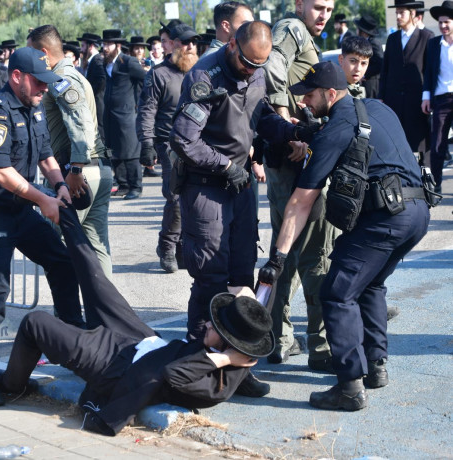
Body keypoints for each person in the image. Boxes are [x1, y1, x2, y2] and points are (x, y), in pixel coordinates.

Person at [0, 204, 273, 436]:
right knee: (95, 278)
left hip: (115, 365)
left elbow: (172, 373)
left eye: (217, 328)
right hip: (143, 340)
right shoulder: (230, 351)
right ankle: (63, 210)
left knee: (35, 322)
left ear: (229, 346)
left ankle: (12, 386)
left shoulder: (217, 386)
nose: (208, 325)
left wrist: (225, 360)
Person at [259, 61, 430, 411]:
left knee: (336, 293)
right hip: (418, 213)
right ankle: (376, 366)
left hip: (385, 218)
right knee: (370, 284)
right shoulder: (378, 107)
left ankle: (350, 386)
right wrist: (315, 130)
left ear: (330, 93)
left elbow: (301, 202)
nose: (303, 101)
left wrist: (277, 257)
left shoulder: (334, 132)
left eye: (309, 95)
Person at [169, 21, 319, 396]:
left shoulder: (258, 73)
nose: (254, 71)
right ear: (232, 44)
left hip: (240, 189)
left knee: (241, 278)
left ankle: (236, 368)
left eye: (261, 65)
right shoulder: (205, 75)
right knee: (209, 278)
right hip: (208, 188)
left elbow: (260, 115)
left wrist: (292, 131)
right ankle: (197, 369)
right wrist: (226, 166)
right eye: (249, 62)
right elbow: (184, 140)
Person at [0, 47, 86, 407]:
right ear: (17, 76)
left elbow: (47, 157)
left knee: (62, 262)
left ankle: (73, 339)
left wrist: (60, 185)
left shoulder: (33, 110)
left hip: (20, 209)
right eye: (38, 82)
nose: (44, 90)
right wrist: (43, 199)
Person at [263, 0, 337, 370]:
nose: (324, 14)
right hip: (296, 161)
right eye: (318, 6)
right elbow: (271, 68)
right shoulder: (292, 28)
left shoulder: (303, 34)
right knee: (315, 257)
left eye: (330, 7)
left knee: (286, 252)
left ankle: (278, 339)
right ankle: (322, 348)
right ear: (299, 4)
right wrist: (286, 127)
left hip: (291, 160)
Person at [27, 25, 114, 278]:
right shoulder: (71, 75)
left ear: (44, 52)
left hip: (76, 174)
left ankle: (68, 314)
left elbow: (81, 123)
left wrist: (75, 169)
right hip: (92, 169)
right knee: (96, 247)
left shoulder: (60, 78)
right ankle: (105, 313)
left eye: (31, 52)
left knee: (58, 246)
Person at [137, 24, 200, 274]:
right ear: (172, 44)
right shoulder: (158, 74)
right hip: (168, 143)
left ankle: (183, 246)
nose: (191, 47)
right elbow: (147, 110)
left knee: (194, 197)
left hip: (197, 144)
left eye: (193, 42)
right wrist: (146, 143)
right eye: (185, 42)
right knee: (174, 198)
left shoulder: (201, 70)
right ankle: (167, 246)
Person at [380, 0, 433, 157]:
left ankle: (425, 174)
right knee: (396, 140)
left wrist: (427, 96)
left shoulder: (426, 37)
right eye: (396, 12)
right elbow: (385, 70)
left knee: (420, 143)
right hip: (393, 99)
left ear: (413, 13)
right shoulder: (392, 39)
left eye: (401, 12)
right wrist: (381, 97)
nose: (398, 16)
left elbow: (429, 70)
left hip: (416, 99)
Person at [102, 29, 147, 200]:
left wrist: (138, 102)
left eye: (108, 44)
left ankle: (136, 186)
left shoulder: (128, 62)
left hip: (127, 115)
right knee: (115, 151)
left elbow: (146, 80)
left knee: (130, 152)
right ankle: (123, 184)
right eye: (104, 44)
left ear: (117, 45)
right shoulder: (105, 63)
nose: (105, 47)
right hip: (110, 115)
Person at [422, 0, 453, 193]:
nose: (442, 26)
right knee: (438, 144)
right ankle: (437, 185)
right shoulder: (433, 44)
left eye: (446, 22)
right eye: (440, 22)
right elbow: (428, 73)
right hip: (442, 99)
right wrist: (426, 97)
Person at [78, 32, 106, 141]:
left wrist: (90, 94)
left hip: (98, 104)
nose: (81, 49)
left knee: (100, 132)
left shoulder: (97, 60)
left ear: (90, 46)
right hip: (95, 104)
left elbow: (102, 79)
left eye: (83, 46)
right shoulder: (92, 61)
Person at [354, 14, 384, 98]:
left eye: (358, 29)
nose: (356, 31)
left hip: (372, 83)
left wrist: (364, 74)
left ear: (362, 32)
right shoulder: (365, 42)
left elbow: (380, 64)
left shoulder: (374, 43)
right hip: (366, 83)